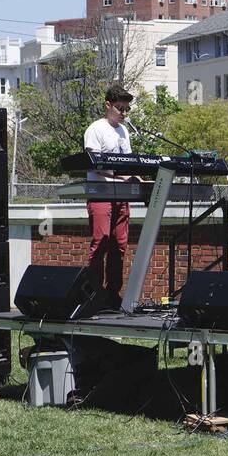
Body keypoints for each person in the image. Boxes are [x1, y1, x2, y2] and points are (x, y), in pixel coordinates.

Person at [84, 85, 134, 305]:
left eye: (126, 109)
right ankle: (94, 293)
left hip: (121, 194)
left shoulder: (124, 131)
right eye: (119, 108)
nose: (123, 112)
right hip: (101, 193)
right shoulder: (95, 129)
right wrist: (122, 177)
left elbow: (131, 162)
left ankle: (112, 294)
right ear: (108, 105)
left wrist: (135, 178)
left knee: (119, 244)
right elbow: (94, 163)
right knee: (101, 242)